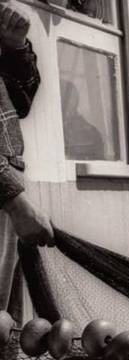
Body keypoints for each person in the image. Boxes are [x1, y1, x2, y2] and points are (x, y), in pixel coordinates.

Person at [0, 1, 54, 318]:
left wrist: (16, 47)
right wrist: (16, 202)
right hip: (8, 195)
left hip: (7, 190)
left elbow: (20, 103)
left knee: (6, 330)